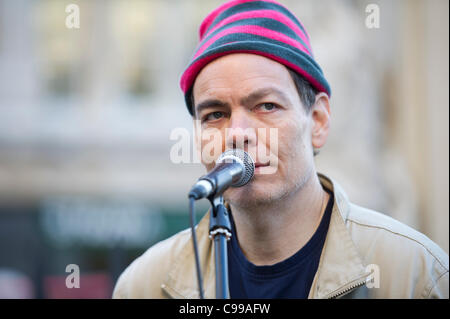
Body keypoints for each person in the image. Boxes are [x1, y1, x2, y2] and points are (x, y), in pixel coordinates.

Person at [113, 0, 448, 299]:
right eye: (215, 114)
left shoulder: (416, 276)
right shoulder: (144, 286)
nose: (237, 134)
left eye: (266, 106)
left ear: (317, 121)